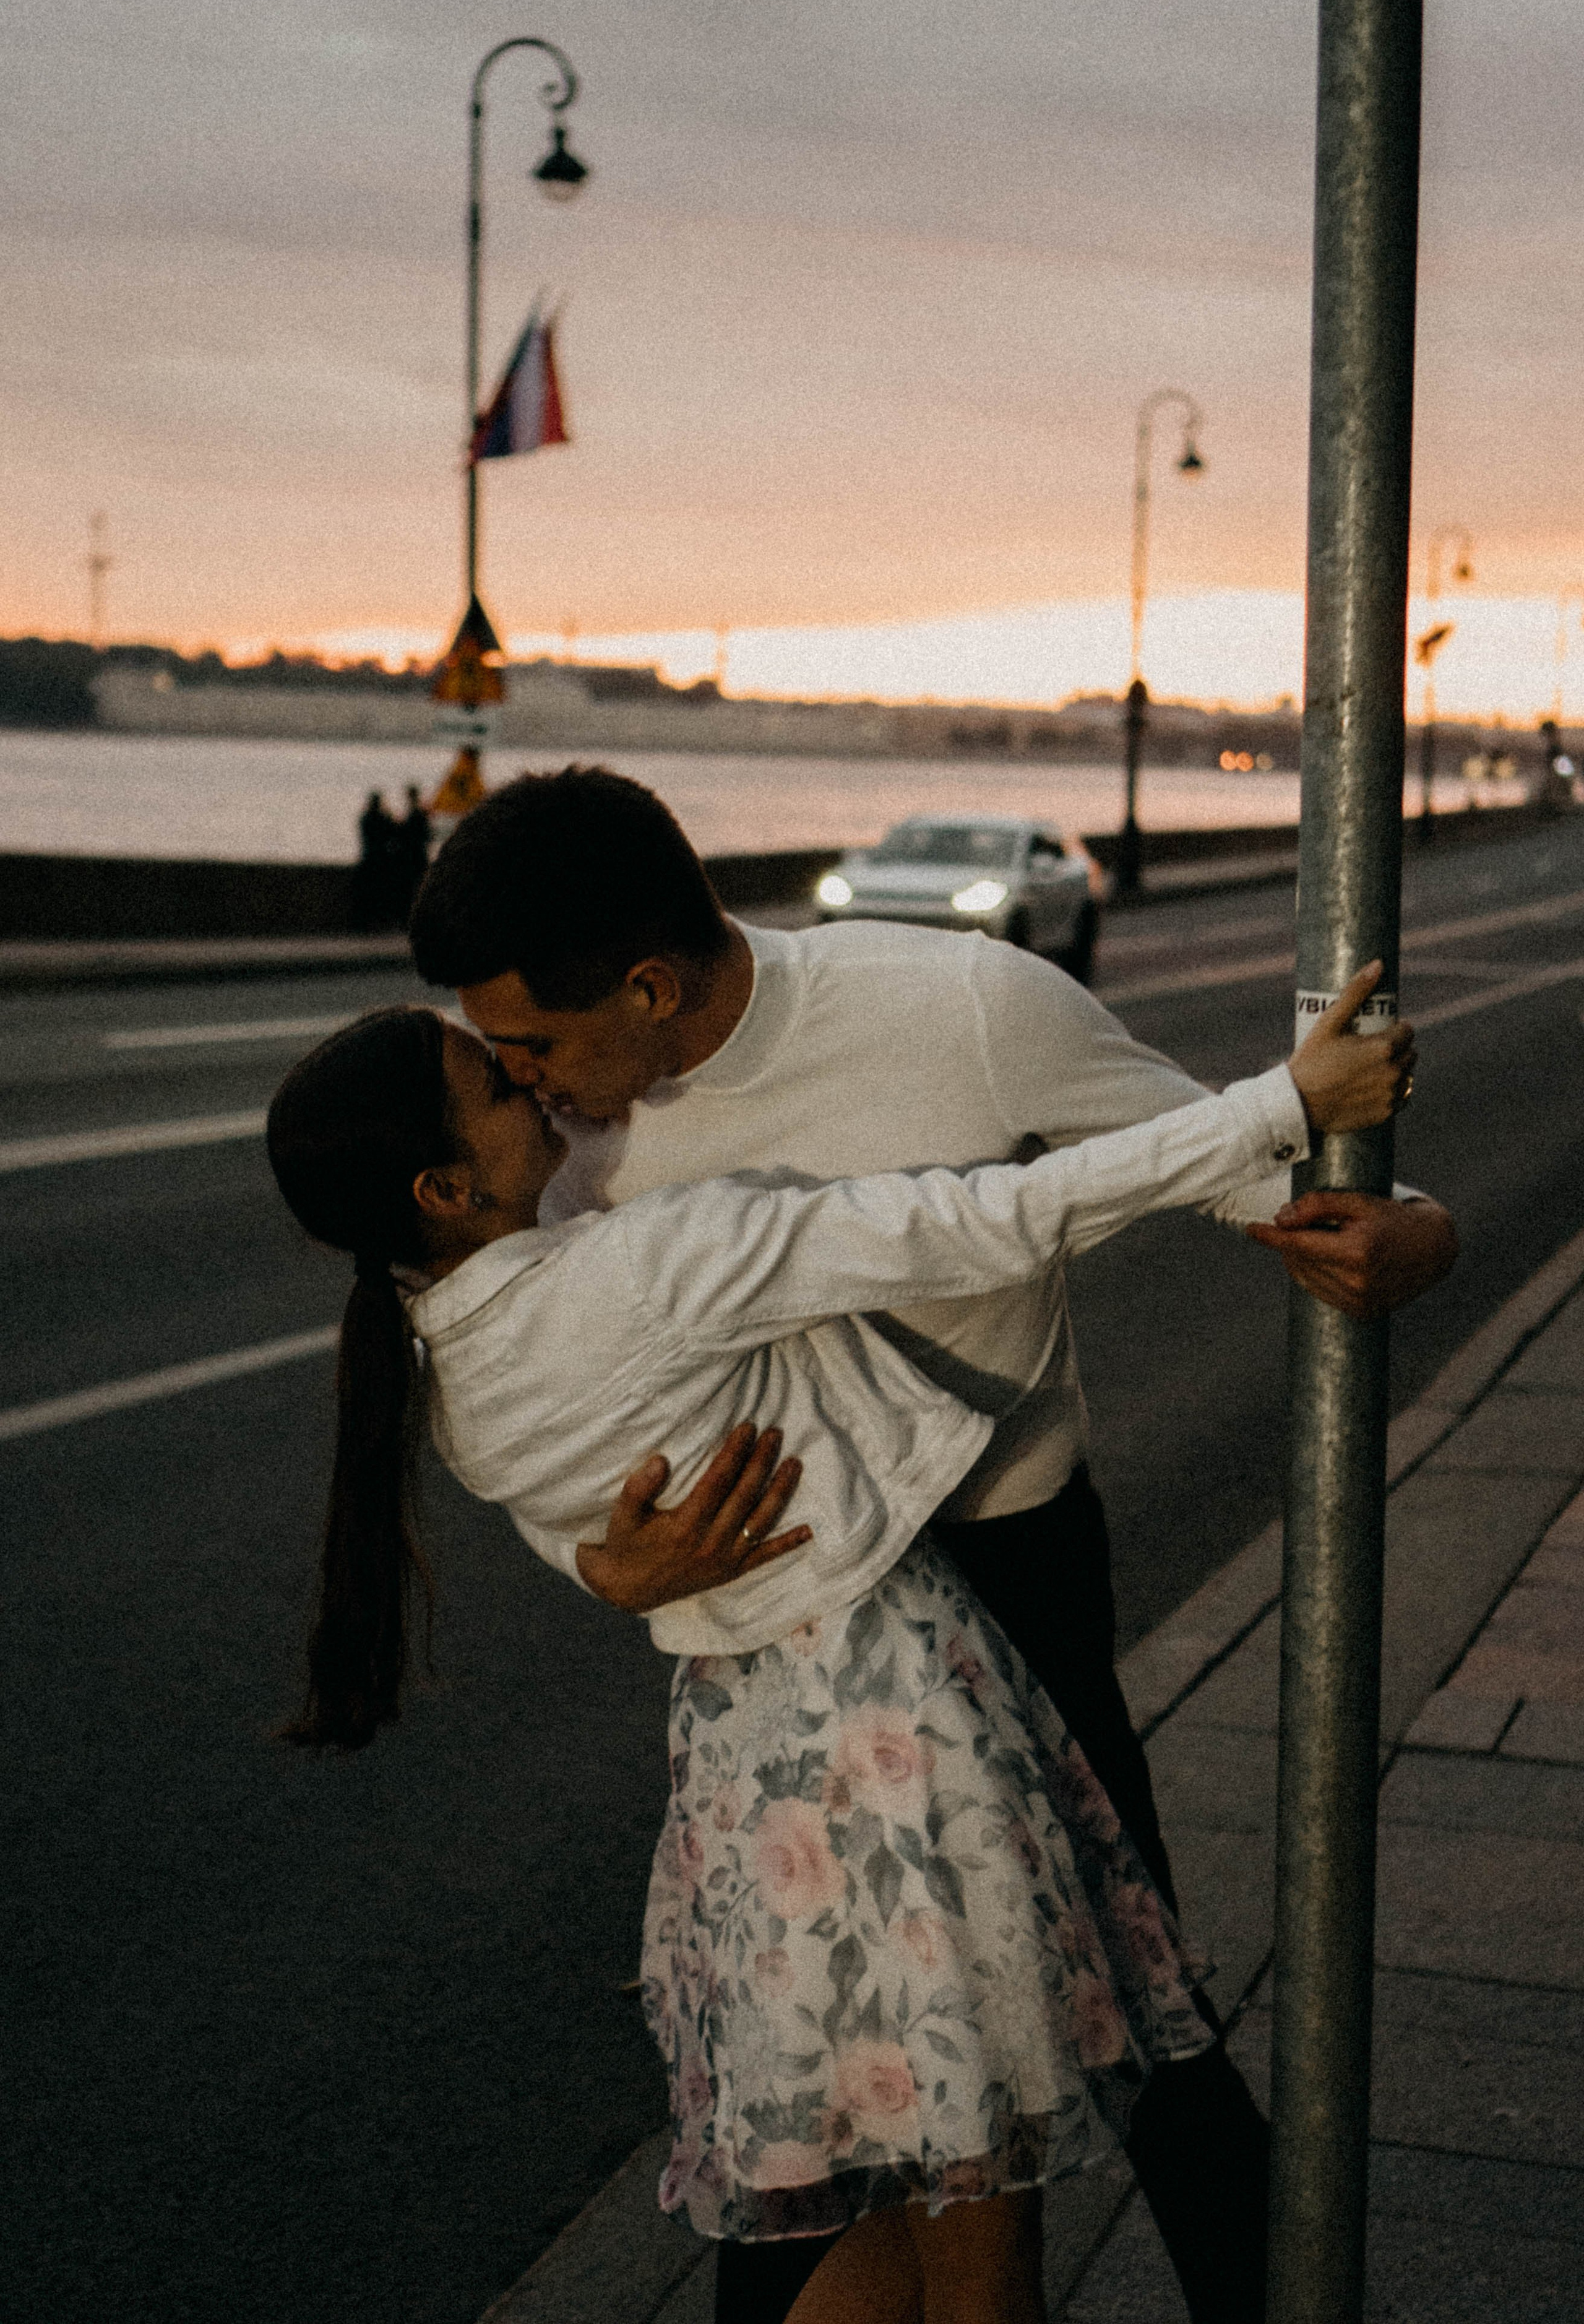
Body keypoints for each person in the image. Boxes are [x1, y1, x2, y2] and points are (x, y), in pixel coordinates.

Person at [405, 766, 1457, 2323]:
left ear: (647, 981)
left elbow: (1252, 1179)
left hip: (1006, 1575)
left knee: (1136, 2024)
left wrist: (1421, 1227)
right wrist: (602, 1570)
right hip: (769, 1630)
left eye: (536, 1043)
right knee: (797, 2079)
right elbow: (520, 1404)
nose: (521, 1080)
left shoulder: (964, 1004)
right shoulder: (559, 1145)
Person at [353, 788, 398, 931]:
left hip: (368, 858)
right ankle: (380, 922)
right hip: (381, 860)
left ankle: (366, 923)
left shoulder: (365, 818)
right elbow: (393, 832)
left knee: (368, 895)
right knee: (381, 894)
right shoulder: (382, 819)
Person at [394, 784, 432, 924]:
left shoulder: (415, 814)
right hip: (419, 855)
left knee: (411, 889)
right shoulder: (421, 813)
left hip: (412, 857)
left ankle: (411, 919)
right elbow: (427, 835)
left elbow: (407, 835)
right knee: (419, 887)